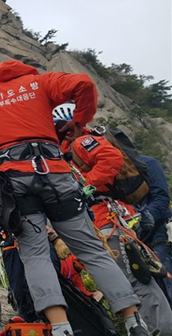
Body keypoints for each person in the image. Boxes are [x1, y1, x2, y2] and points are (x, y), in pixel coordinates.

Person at [0, 60, 150, 336]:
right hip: (56, 174)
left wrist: (5, 142)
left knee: (34, 255)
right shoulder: (40, 82)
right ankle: (135, 322)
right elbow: (83, 84)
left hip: (15, 182)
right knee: (91, 250)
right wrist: (79, 121)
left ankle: (61, 328)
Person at [56, 104, 172, 335]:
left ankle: (160, 330)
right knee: (138, 279)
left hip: (108, 224)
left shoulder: (81, 143)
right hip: (113, 223)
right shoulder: (71, 149)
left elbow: (110, 158)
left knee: (135, 280)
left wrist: (87, 187)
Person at [136, 154, 172, 304]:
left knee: (168, 282)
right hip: (137, 239)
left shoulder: (147, 163)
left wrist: (142, 219)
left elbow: (162, 198)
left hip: (161, 231)